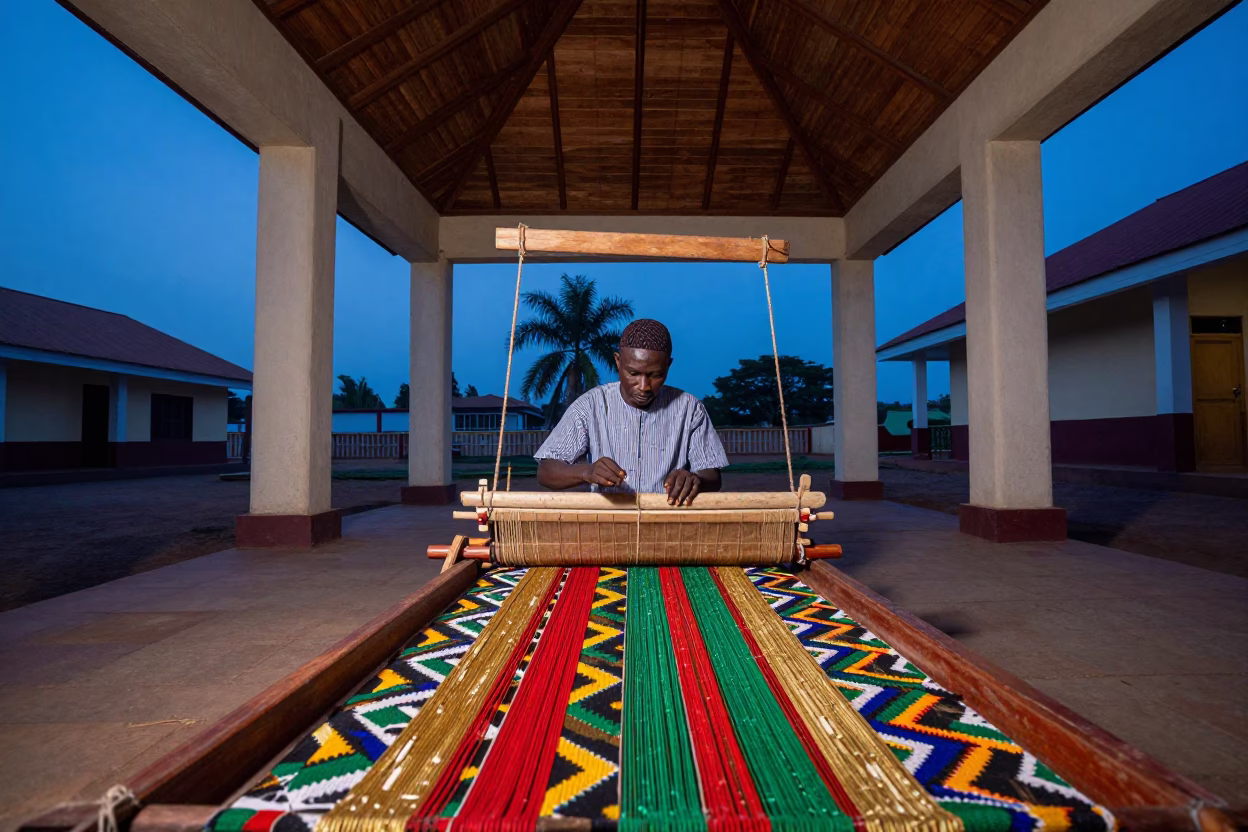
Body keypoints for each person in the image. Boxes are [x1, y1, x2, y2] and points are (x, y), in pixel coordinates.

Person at [534, 318, 728, 506]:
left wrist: (694, 479)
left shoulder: (690, 408)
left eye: (655, 375)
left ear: (668, 365)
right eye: (633, 373)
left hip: (669, 524)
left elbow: (712, 476)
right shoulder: (590, 405)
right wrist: (587, 472)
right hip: (608, 525)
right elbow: (546, 471)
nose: (644, 386)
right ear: (618, 362)